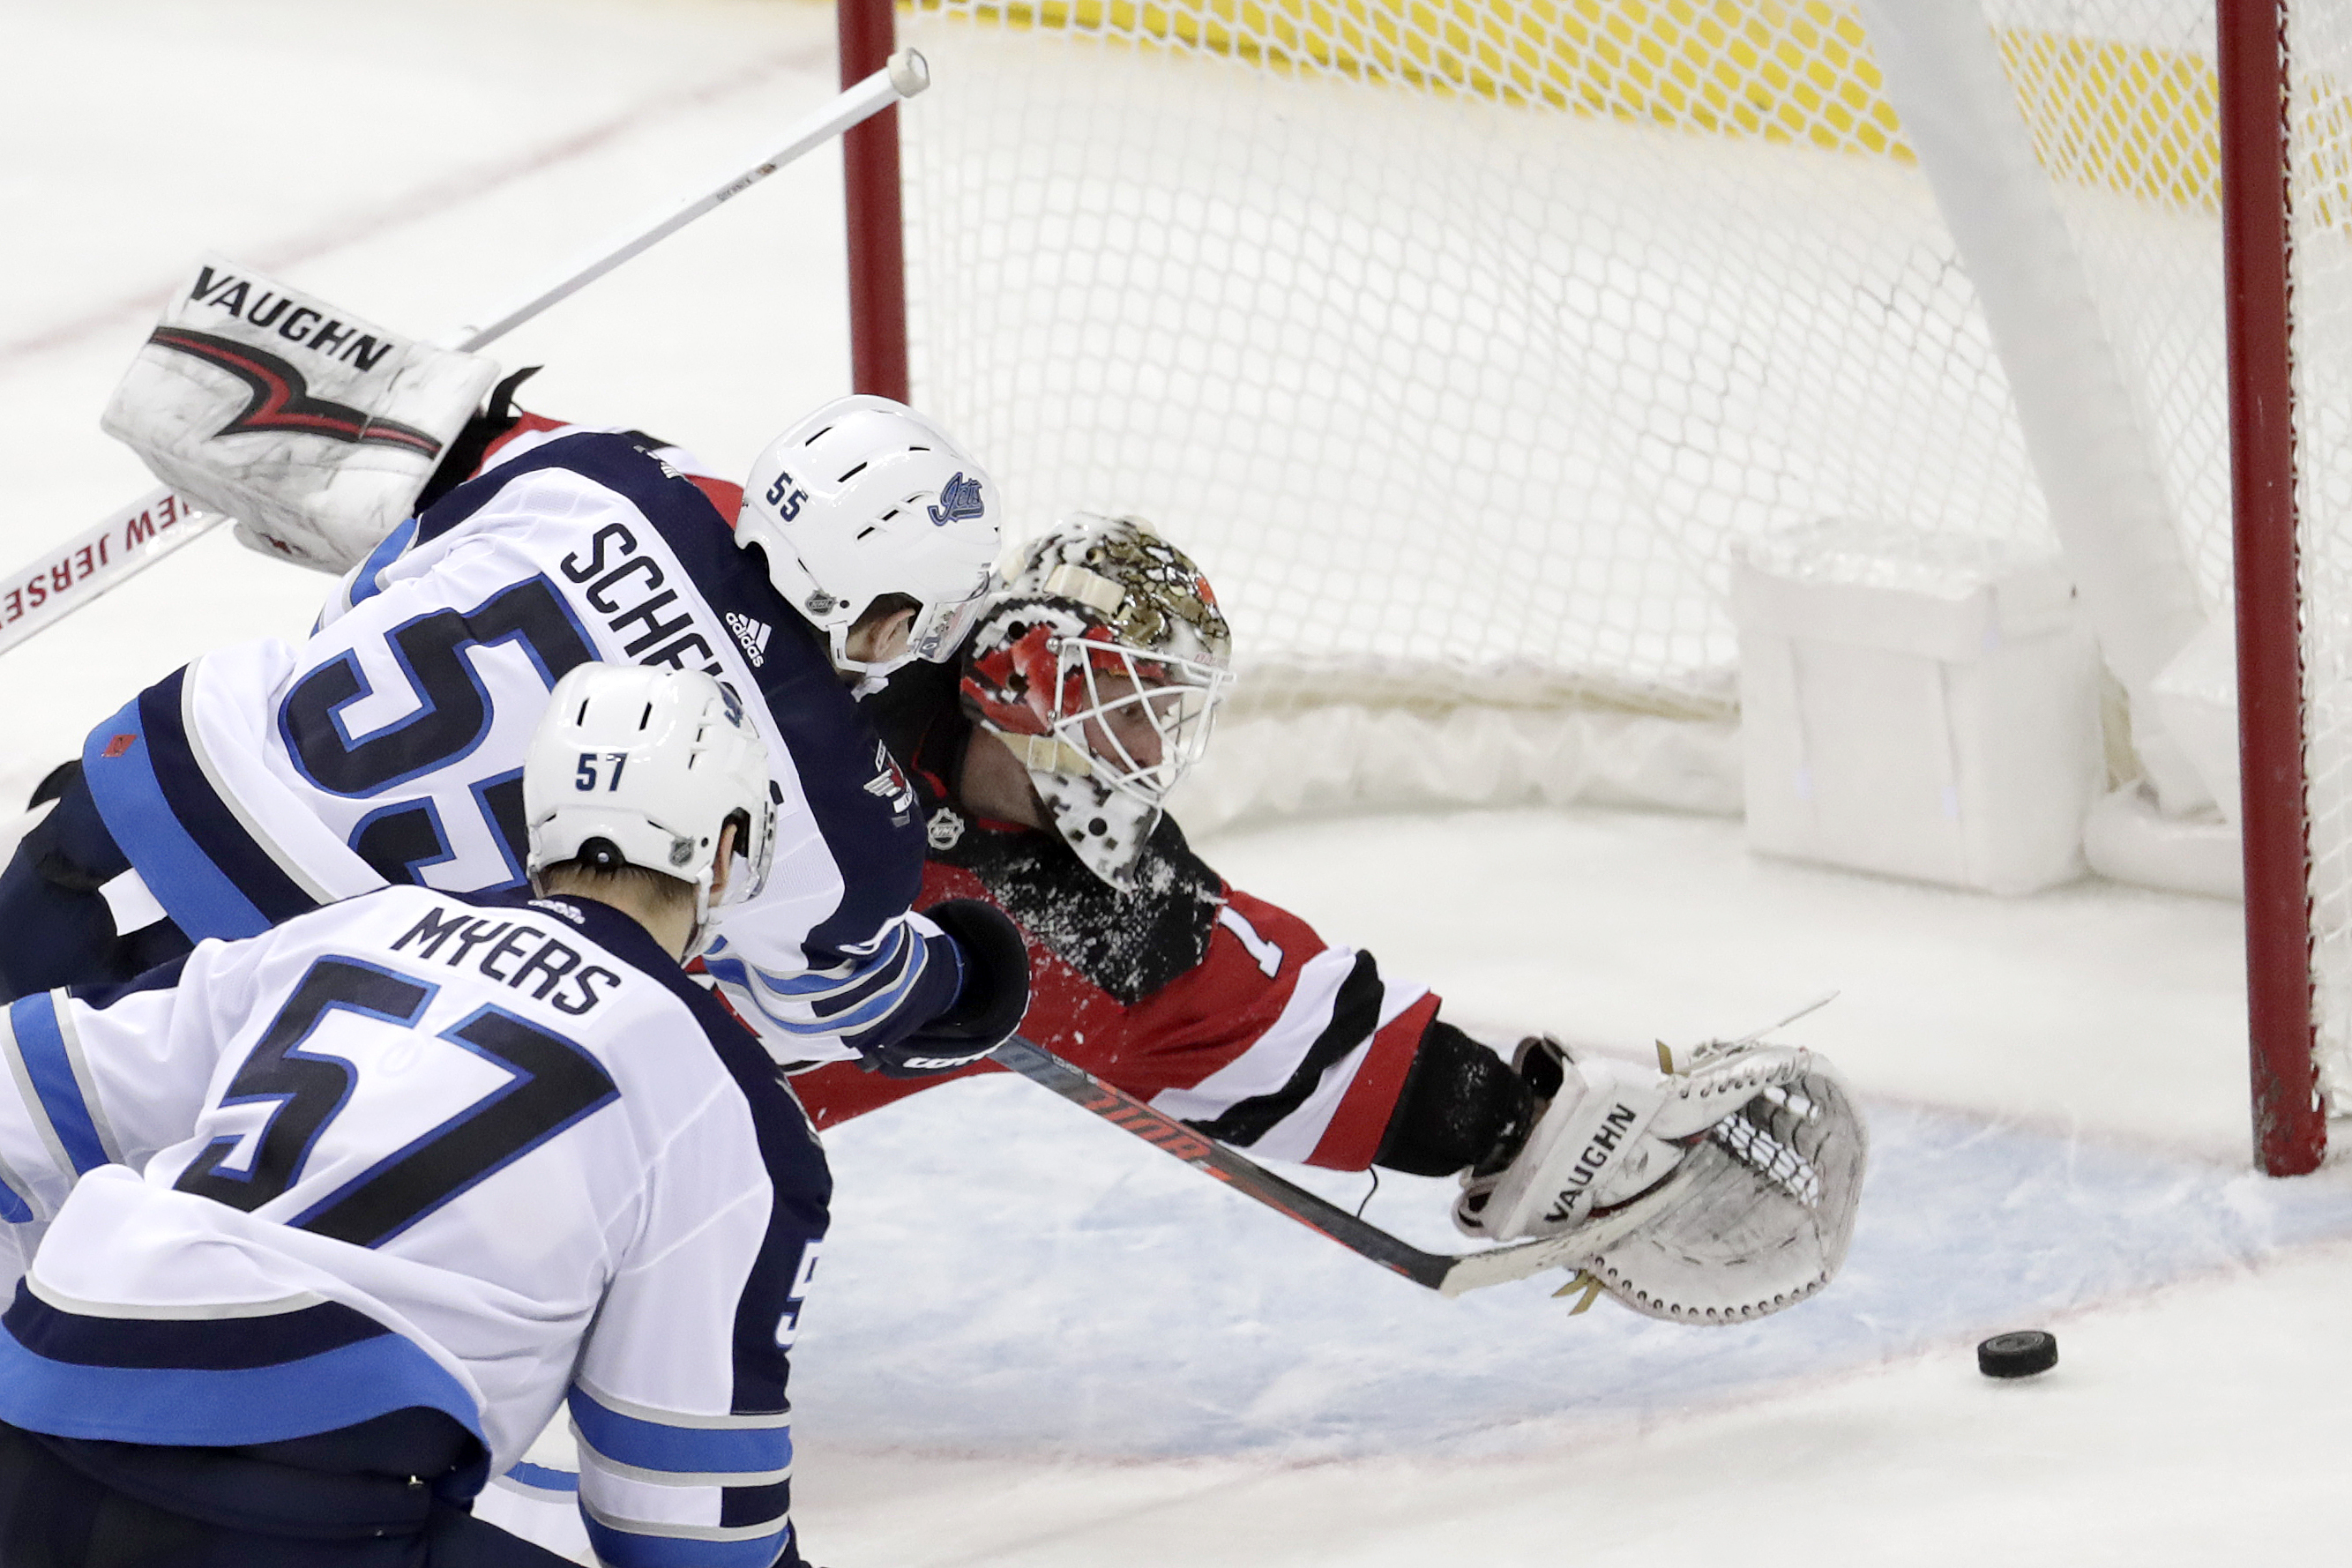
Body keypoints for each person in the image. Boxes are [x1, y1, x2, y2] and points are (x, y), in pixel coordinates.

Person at [0, 661, 915, 1566]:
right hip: (298, 1509)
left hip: (31, 1417)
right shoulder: (729, 1101)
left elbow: (23, 1085)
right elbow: (683, 1525)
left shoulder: (360, 926)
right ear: (723, 851)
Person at [791, 514, 1860, 1253]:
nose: (1149, 747)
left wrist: (1534, 1132)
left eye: (1166, 713)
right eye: (1126, 703)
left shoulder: (1112, 932)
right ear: (1026, 672)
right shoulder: (814, 681)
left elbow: (1301, 1022)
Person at [0, 377, 1026, 1079]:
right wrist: (970, 972)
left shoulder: (597, 472)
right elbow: (824, 1003)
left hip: (146, 778)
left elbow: (368, 590)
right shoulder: (840, 814)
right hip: (285, 986)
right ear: (885, 614)